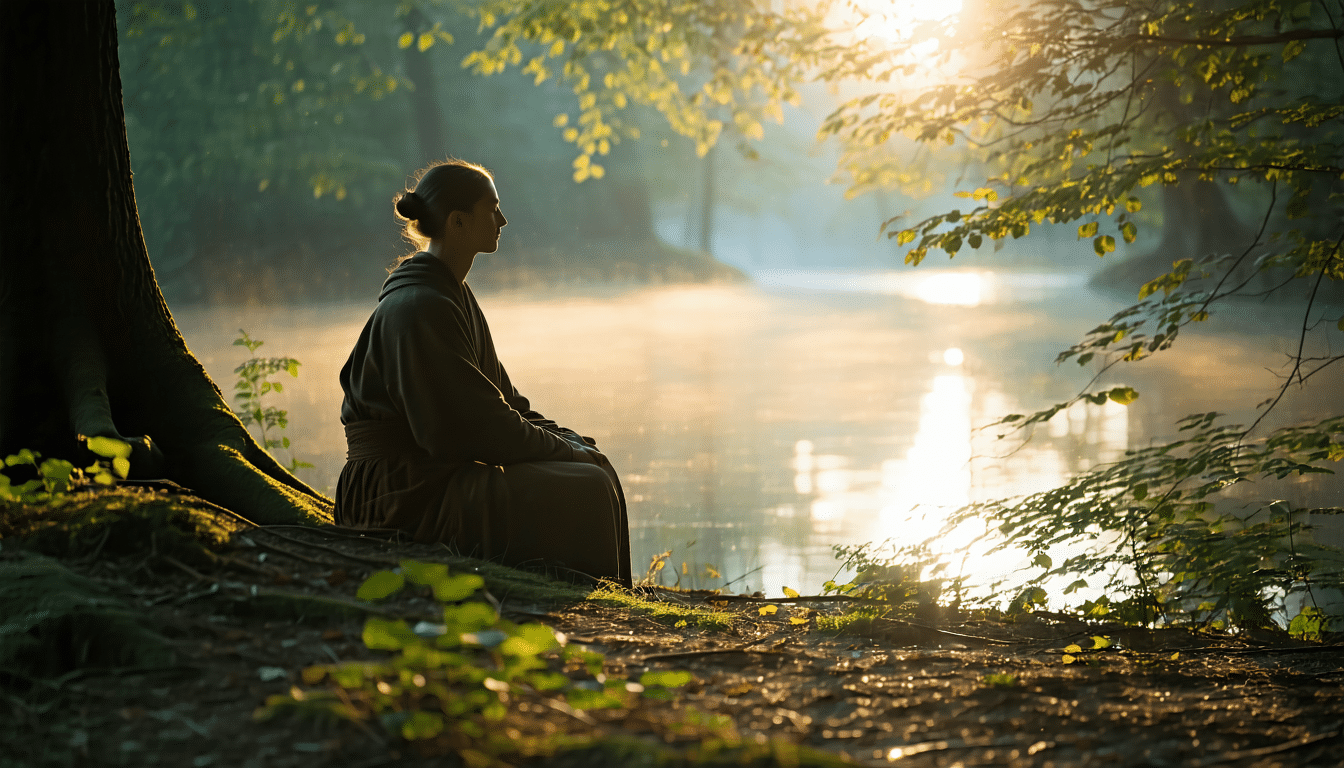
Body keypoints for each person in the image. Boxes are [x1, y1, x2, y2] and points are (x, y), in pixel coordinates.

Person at [335, 159, 632, 586]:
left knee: (594, 469)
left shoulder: (452, 295)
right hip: (399, 491)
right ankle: (589, 593)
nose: (503, 219)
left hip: (431, 476)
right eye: (492, 209)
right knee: (584, 486)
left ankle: (599, 588)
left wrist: (566, 439)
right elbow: (472, 429)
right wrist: (564, 452)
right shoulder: (422, 306)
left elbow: (507, 403)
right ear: (458, 222)